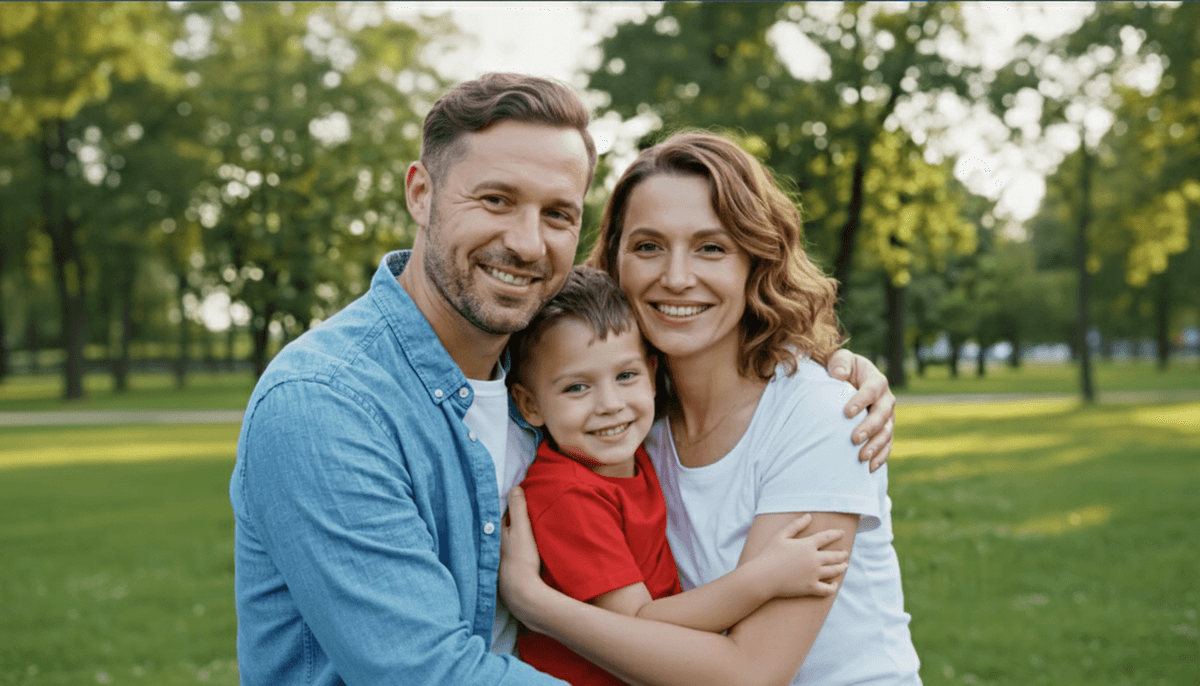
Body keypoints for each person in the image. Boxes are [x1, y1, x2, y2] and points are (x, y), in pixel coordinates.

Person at [230, 72, 894, 685]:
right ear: (421, 194)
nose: (527, 242)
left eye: (557, 214)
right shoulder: (329, 405)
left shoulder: (567, 392)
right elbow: (427, 672)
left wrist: (833, 369)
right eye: (496, 199)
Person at [499, 132, 919, 686]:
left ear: (756, 261)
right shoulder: (625, 421)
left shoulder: (823, 416)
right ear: (616, 262)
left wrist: (535, 604)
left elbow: (751, 673)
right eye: (648, 247)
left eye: (711, 248)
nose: (676, 278)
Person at [507, 265, 850, 685]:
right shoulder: (566, 494)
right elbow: (637, 621)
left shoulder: (632, 454)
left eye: (626, 376)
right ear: (530, 405)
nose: (610, 404)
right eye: (577, 387)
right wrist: (764, 578)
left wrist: (840, 364)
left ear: (652, 376)